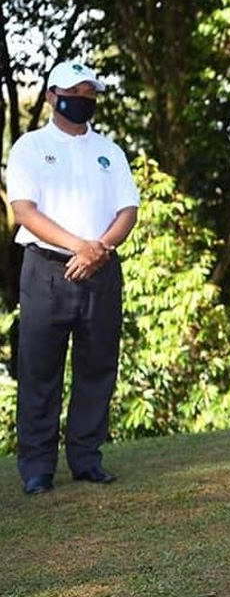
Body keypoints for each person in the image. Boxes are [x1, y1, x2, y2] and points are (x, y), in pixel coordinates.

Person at [7, 61, 139, 494]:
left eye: (90, 92)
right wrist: (78, 246)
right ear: (51, 96)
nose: (83, 99)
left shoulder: (110, 151)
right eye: (73, 91)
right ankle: (37, 468)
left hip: (101, 270)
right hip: (46, 269)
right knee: (39, 368)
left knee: (97, 367)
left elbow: (128, 211)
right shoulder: (30, 147)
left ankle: (86, 458)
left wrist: (98, 250)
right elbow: (24, 210)